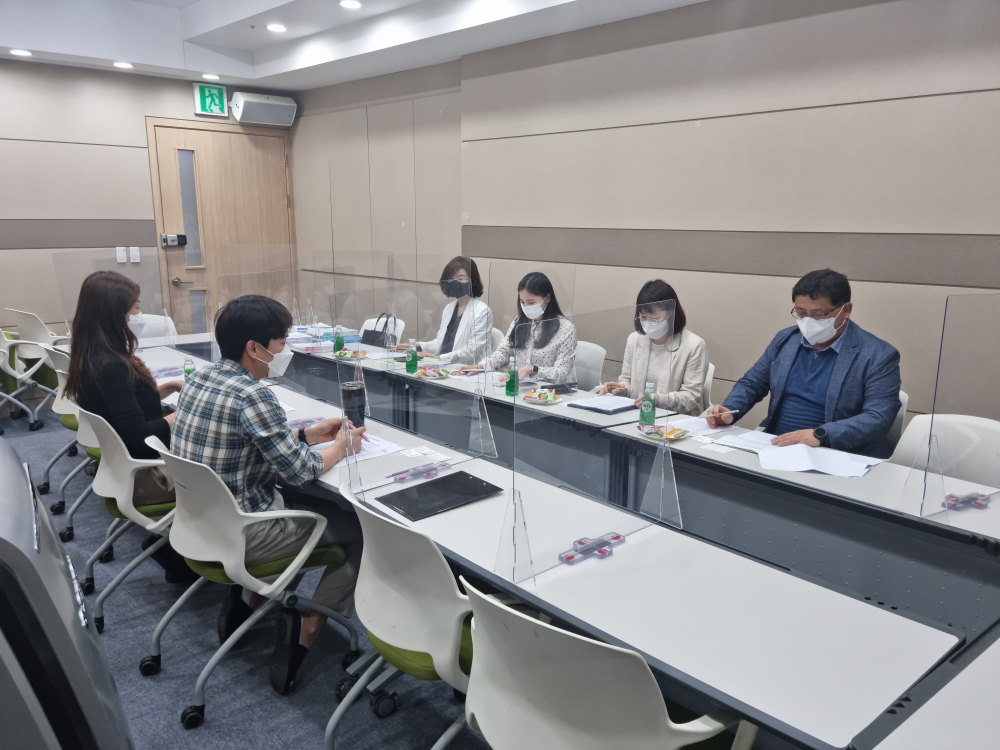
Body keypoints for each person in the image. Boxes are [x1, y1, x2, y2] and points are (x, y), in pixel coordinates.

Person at [170, 295, 366, 695]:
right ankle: (309, 626)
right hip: (247, 534)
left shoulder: (201, 379)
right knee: (363, 528)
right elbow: (302, 469)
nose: (285, 349)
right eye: (281, 341)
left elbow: (243, 439)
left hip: (201, 524)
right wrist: (343, 445)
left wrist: (306, 435)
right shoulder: (253, 395)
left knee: (308, 503)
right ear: (254, 348)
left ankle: (250, 598)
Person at [705, 269, 902, 458]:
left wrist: (822, 435)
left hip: (839, 454)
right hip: (776, 445)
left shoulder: (878, 355)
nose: (808, 321)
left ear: (846, 310)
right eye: (800, 313)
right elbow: (753, 382)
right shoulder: (786, 339)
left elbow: (878, 417)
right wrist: (730, 410)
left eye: (818, 315)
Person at [65, 271, 183, 506]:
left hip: (123, 464)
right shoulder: (112, 366)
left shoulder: (91, 355)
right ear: (113, 314)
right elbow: (139, 434)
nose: (134, 317)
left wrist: (170, 385)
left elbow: (124, 405)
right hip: (149, 470)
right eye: (132, 310)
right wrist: (185, 413)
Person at [599, 280, 708, 415]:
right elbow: (626, 380)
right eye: (643, 317)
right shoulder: (635, 339)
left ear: (671, 315)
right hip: (635, 415)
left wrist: (658, 399)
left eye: (655, 318)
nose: (648, 323)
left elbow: (692, 397)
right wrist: (621, 389)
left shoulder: (694, 345)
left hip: (674, 421)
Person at [455, 271, 577, 383]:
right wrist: (480, 367)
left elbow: (562, 373)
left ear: (548, 298)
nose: (526, 307)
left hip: (547, 395)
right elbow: (503, 353)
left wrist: (531, 369)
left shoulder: (566, 329)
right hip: (517, 390)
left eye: (531, 302)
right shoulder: (519, 321)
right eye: (522, 302)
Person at [394, 257, 493, 364]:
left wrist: (437, 358)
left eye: (461, 278)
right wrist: (417, 346)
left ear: (472, 280)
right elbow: (440, 343)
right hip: (442, 366)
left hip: (466, 370)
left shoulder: (482, 311)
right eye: (451, 279)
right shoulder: (449, 308)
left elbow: (471, 352)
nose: (455, 283)